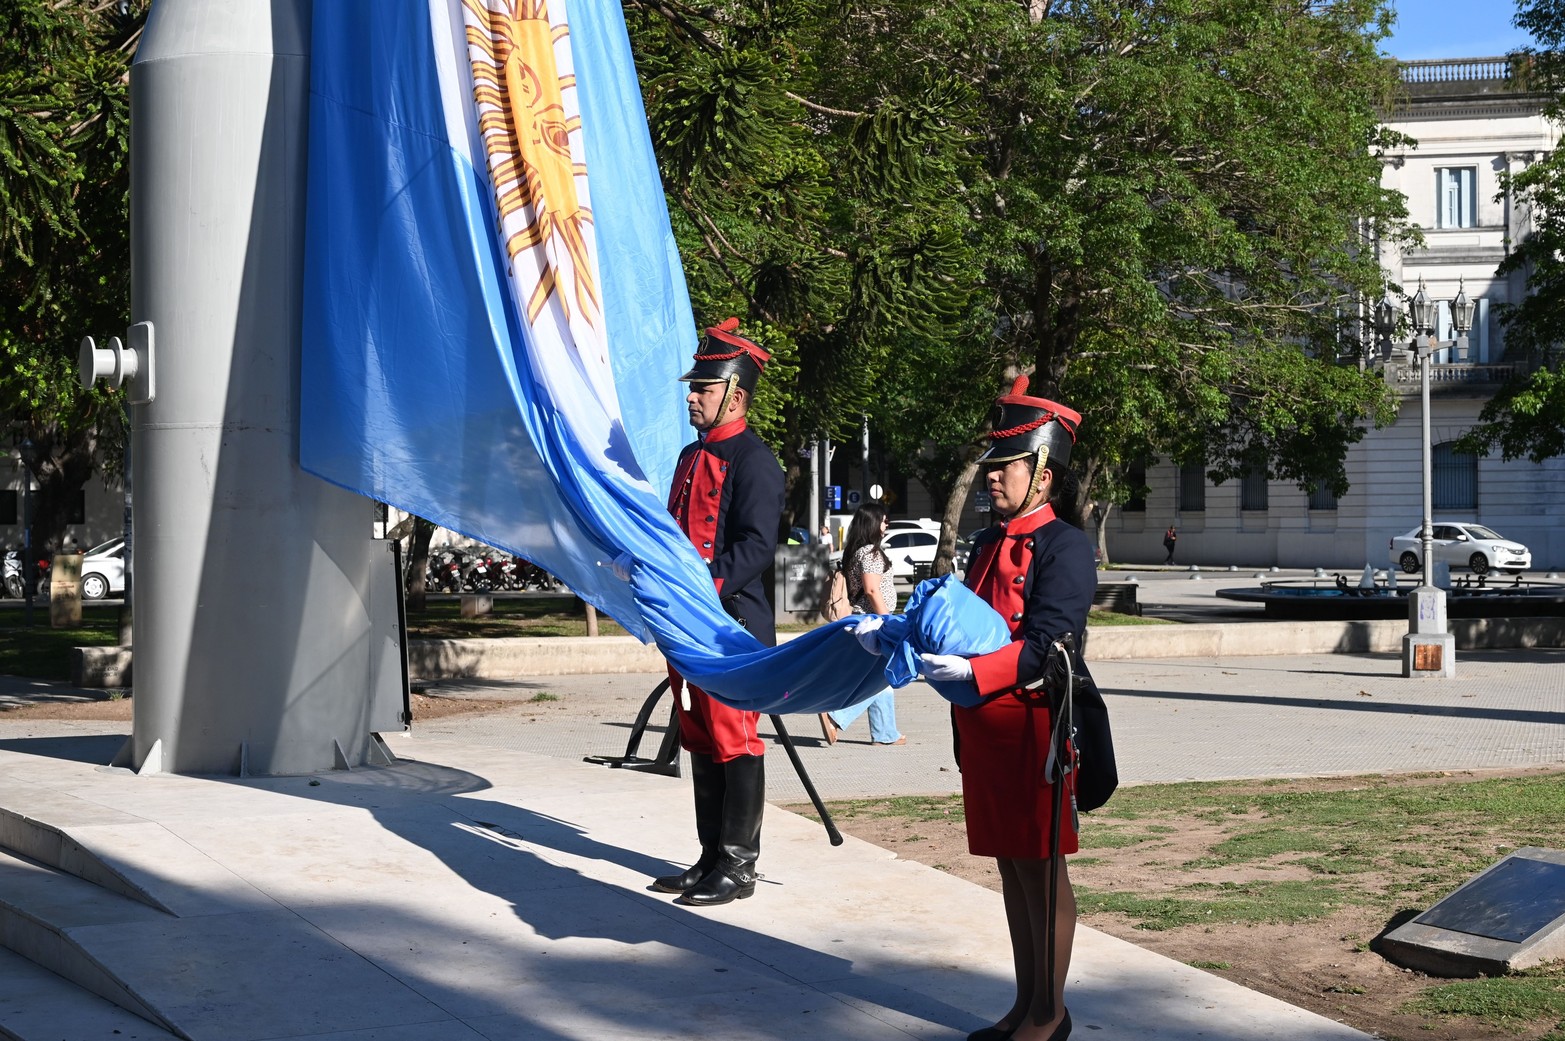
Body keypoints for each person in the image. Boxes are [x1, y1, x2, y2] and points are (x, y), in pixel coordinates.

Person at [910, 376, 1098, 1041]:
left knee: (1043, 872)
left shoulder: (1065, 547)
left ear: (1043, 473)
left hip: (1033, 731)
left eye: (1005, 465)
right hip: (985, 729)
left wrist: (975, 670)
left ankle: (1049, 1013)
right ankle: (1025, 1004)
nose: (993, 477)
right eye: (991, 465)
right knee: (1011, 870)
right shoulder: (989, 543)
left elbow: (1048, 644)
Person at [651, 317, 786, 908]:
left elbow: (757, 546)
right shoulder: (688, 456)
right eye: (693, 387)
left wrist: (701, 587)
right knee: (700, 737)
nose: (691, 396)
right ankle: (710, 856)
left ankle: (738, 864)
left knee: (735, 738)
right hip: (686, 624)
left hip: (730, 623)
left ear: (735, 394)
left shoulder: (756, 461)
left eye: (702, 388)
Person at [817, 503, 905, 747]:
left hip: (864, 620)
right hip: (873, 622)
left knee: (881, 675)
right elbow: (872, 589)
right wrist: (888, 621)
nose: (886, 526)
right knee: (880, 677)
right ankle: (836, 715)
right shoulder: (871, 553)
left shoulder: (856, 552)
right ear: (873, 523)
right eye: (884, 521)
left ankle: (885, 733)